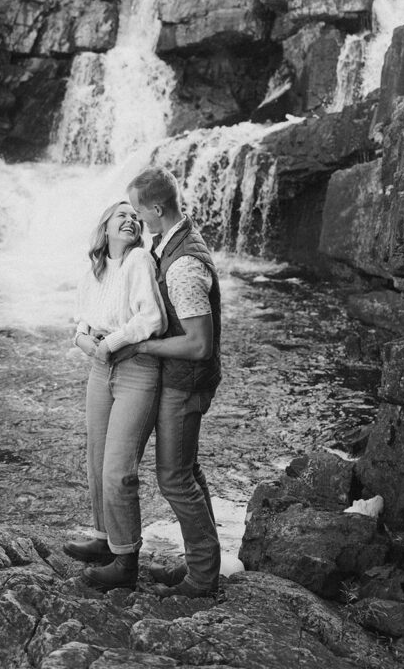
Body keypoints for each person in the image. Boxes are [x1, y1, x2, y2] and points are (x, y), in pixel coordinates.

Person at [127, 166, 222, 599]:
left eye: (138, 211)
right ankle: (202, 565)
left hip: (186, 382)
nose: (135, 219)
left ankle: (202, 579)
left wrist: (145, 348)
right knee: (187, 471)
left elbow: (199, 344)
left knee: (174, 479)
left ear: (158, 209)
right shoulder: (173, 241)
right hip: (186, 380)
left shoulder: (182, 265)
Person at [63, 199, 167, 591]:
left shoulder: (139, 260)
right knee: (95, 461)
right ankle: (106, 540)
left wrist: (110, 344)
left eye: (134, 217)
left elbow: (151, 319)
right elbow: (80, 322)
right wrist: (84, 341)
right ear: (105, 227)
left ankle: (126, 561)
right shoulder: (93, 272)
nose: (130, 219)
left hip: (135, 368)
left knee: (118, 470)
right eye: (120, 215)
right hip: (99, 367)